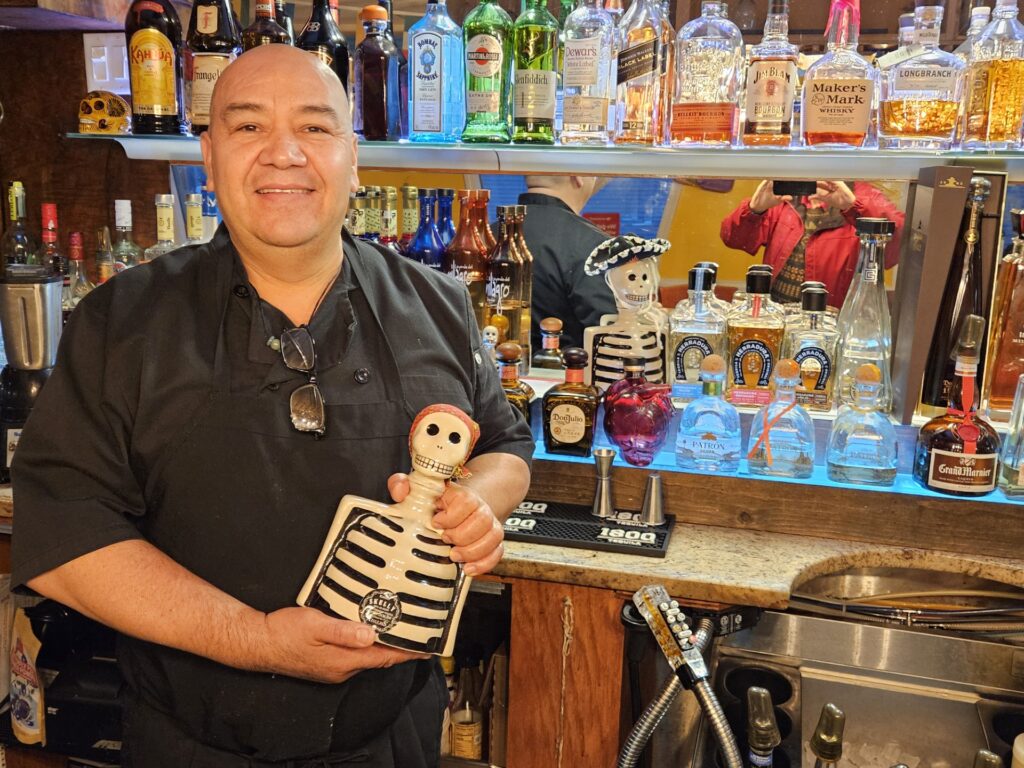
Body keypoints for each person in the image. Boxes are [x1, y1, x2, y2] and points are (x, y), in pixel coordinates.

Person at [10, 45, 533, 768]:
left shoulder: (439, 305)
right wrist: (255, 640)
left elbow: (506, 445)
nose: (283, 154)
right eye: (249, 127)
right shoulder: (120, 321)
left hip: (396, 739)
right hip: (191, 745)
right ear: (209, 154)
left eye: (316, 129)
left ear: (354, 157)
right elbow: (65, 541)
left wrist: (478, 501)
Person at [719, 180, 905, 306]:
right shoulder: (788, 193)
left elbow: (895, 251)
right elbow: (734, 239)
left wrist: (854, 206)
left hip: (831, 325)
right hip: (777, 317)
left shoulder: (865, 195)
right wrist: (754, 209)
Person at [518, 174, 616, 351]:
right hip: (566, 375)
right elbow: (610, 336)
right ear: (578, 175)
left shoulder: (487, 237)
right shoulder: (593, 246)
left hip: (491, 374)